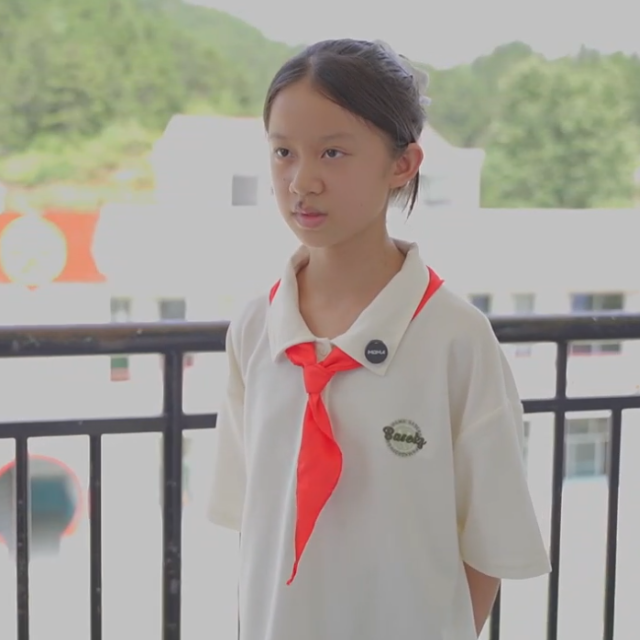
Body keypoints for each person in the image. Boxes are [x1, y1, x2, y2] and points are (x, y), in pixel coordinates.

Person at [208, 38, 551, 640]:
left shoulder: (455, 338)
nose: (302, 181)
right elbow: (255, 522)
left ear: (402, 164)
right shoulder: (255, 329)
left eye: (333, 153)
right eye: (284, 152)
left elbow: (489, 545)